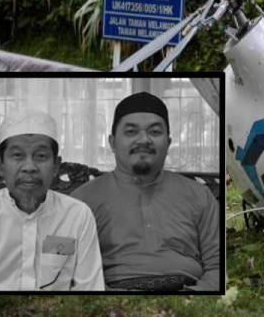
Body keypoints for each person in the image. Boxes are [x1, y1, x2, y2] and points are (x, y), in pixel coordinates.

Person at [72, 92, 220, 291]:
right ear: (112, 142)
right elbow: (67, 270)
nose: (144, 140)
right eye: (131, 132)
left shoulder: (199, 195)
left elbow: (217, 265)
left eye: (155, 132)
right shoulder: (82, 201)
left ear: (168, 143)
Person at [0, 109, 105, 291]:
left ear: (56, 165)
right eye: (17, 156)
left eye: (41, 156)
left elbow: (90, 287)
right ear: (0, 164)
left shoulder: (77, 215)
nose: (30, 167)